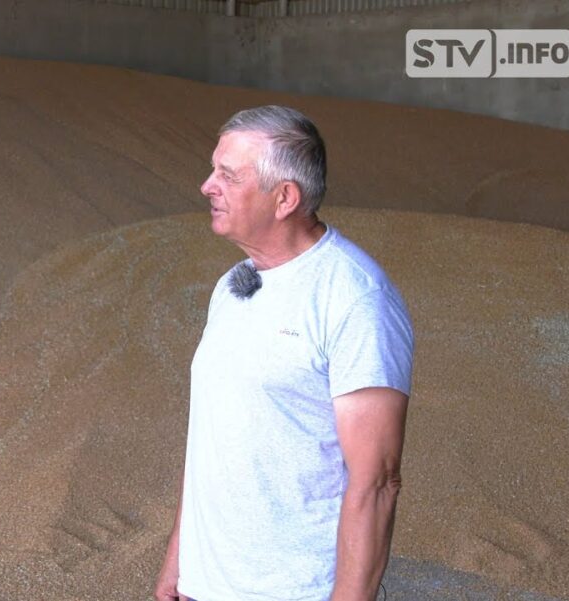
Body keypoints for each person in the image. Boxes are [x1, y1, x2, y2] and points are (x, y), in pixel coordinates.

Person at [154, 106, 414, 601]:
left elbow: (377, 481)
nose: (207, 186)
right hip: (205, 588)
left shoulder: (356, 298)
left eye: (227, 175)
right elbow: (213, 439)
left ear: (285, 198)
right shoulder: (231, 288)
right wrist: (178, 565)